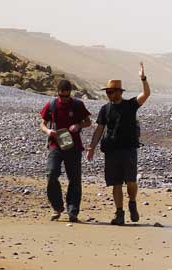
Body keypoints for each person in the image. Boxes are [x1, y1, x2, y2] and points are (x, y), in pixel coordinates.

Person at [86, 62, 150, 225]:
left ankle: (132, 203)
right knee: (115, 183)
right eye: (107, 92)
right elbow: (99, 130)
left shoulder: (130, 105)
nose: (109, 94)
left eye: (111, 92)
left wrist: (143, 78)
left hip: (129, 150)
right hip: (112, 151)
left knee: (131, 181)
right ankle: (119, 213)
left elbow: (146, 94)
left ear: (119, 92)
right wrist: (91, 147)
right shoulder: (104, 109)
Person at [40, 79, 91, 222]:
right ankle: (57, 207)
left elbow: (88, 122)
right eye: (61, 96)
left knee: (74, 179)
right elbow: (42, 124)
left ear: (70, 93)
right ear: (58, 93)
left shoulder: (77, 105)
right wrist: (48, 131)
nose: (64, 99)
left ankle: (73, 211)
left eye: (66, 96)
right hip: (55, 145)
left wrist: (78, 126)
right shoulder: (51, 105)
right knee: (51, 173)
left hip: (73, 146)